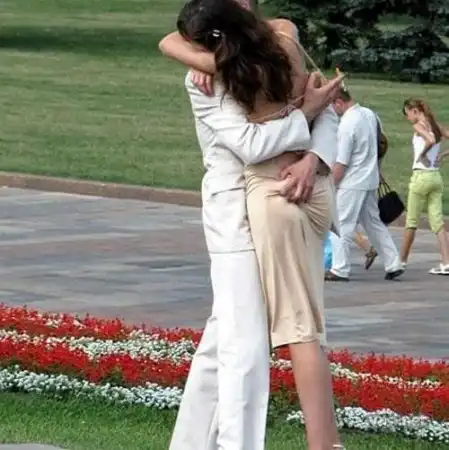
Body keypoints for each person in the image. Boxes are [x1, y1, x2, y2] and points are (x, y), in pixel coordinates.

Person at [159, 1, 346, 449]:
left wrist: (313, 158)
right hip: (235, 215)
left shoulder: (279, 42)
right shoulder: (203, 76)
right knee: (244, 345)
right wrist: (304, 113)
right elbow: (249, 144)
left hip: (284, 199)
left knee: (224, 335)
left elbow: (326, 108)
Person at [326, 87, 404, 281]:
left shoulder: (347, 124)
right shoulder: (370, 115)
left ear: (338, 102)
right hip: (370, 177)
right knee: (373, 222)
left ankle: (340, 268)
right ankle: (393, 262)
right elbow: (381, 144)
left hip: (352, 181)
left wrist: (331, 184)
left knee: (341, 224)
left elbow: (342, 162)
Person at [400, 98, 449, 274]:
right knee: (437, 222)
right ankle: (446, 263)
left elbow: (429, 140)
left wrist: (422, 155)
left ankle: (401, 261)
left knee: (411, 222)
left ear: (414, 110)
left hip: (420, 176)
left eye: (407, 114)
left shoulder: (418, 126)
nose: (408, 118)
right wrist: (442, 155)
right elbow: (436, 137)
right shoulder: (435, 125)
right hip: (435, 176)